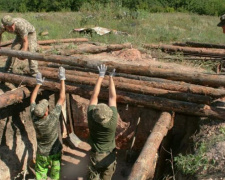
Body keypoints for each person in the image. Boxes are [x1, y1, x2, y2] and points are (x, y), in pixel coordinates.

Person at [30, 67, 66, 180]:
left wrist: (38, 84)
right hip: (54, 152)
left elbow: (31, 100)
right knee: (55, 173)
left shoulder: (34, 118)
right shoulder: (53, 117)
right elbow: (62, 98)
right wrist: (62, 79)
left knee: (41, 174)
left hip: (41, 154)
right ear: (46, 112)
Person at [87, 64, 118, 180]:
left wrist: (100, 76)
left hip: (95, 156)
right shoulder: (112, 122)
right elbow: (112, 97)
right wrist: (110, 78)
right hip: (109, 157)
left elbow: (94, 96)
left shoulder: (91, 117)